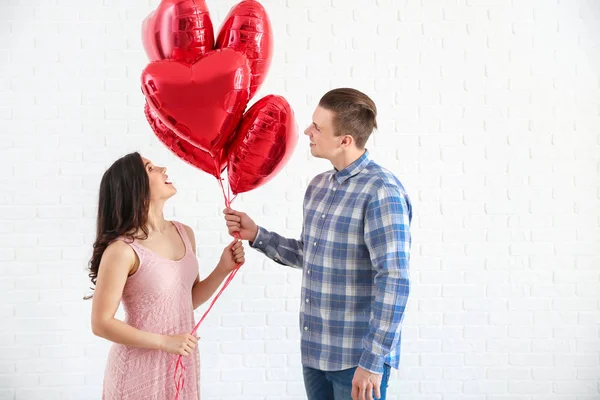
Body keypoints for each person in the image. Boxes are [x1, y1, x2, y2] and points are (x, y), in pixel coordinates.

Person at [224, 88, 412, 400]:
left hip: (356, 360)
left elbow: (395, 280)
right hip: (315, 352)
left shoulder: (382, 191)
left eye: (317, 127)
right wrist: (256, 234)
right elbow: (308, 254)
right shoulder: (318, 187)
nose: (308, 132)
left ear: (345, 140)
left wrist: (373, 361)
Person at [87, 152, 245, 400]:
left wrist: (222, 268)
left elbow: (185, 301)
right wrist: (164, 342)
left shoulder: (185, 233)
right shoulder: (122, 251)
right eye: (150, 168)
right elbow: (101, 323)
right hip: (138, 371)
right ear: (135, 187)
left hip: (179, 360)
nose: (162, 168)